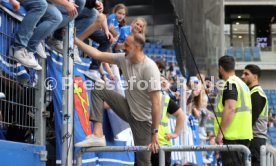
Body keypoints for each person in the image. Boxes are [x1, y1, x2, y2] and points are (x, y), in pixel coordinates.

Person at [74, 33, 161, 165]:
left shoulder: (149, 67)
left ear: (137, 47)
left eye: (126, 45)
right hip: (128, 109)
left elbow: (156, 104)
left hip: (144, 122)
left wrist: (155, 133)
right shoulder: (124, 58)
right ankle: (98, 135)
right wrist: (75, 40)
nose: (122, 47)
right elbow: (98, 55)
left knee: (143, 161)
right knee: (98, 88)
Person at [214, 55, 252, 166]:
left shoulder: (230, 84)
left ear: (220, 68)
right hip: (244, 135)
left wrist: (220, 133)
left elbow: (230, 108)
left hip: (232, 136)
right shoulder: (242, 84)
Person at [241, 64, 268, 166]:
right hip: (254, 140)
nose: (243, 76)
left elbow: (250, 120)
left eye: (246, 74)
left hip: (255, 140)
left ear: (255, 77)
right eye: (243, 73)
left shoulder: (257, 94)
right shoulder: (252, 93)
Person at [151, 93, 185, 166]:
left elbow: (181, 115)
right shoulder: (163, 98)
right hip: (152, 144)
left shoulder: (164, 98)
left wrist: (175, 134)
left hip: (160, 145)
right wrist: (175, 134)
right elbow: (181, 115)